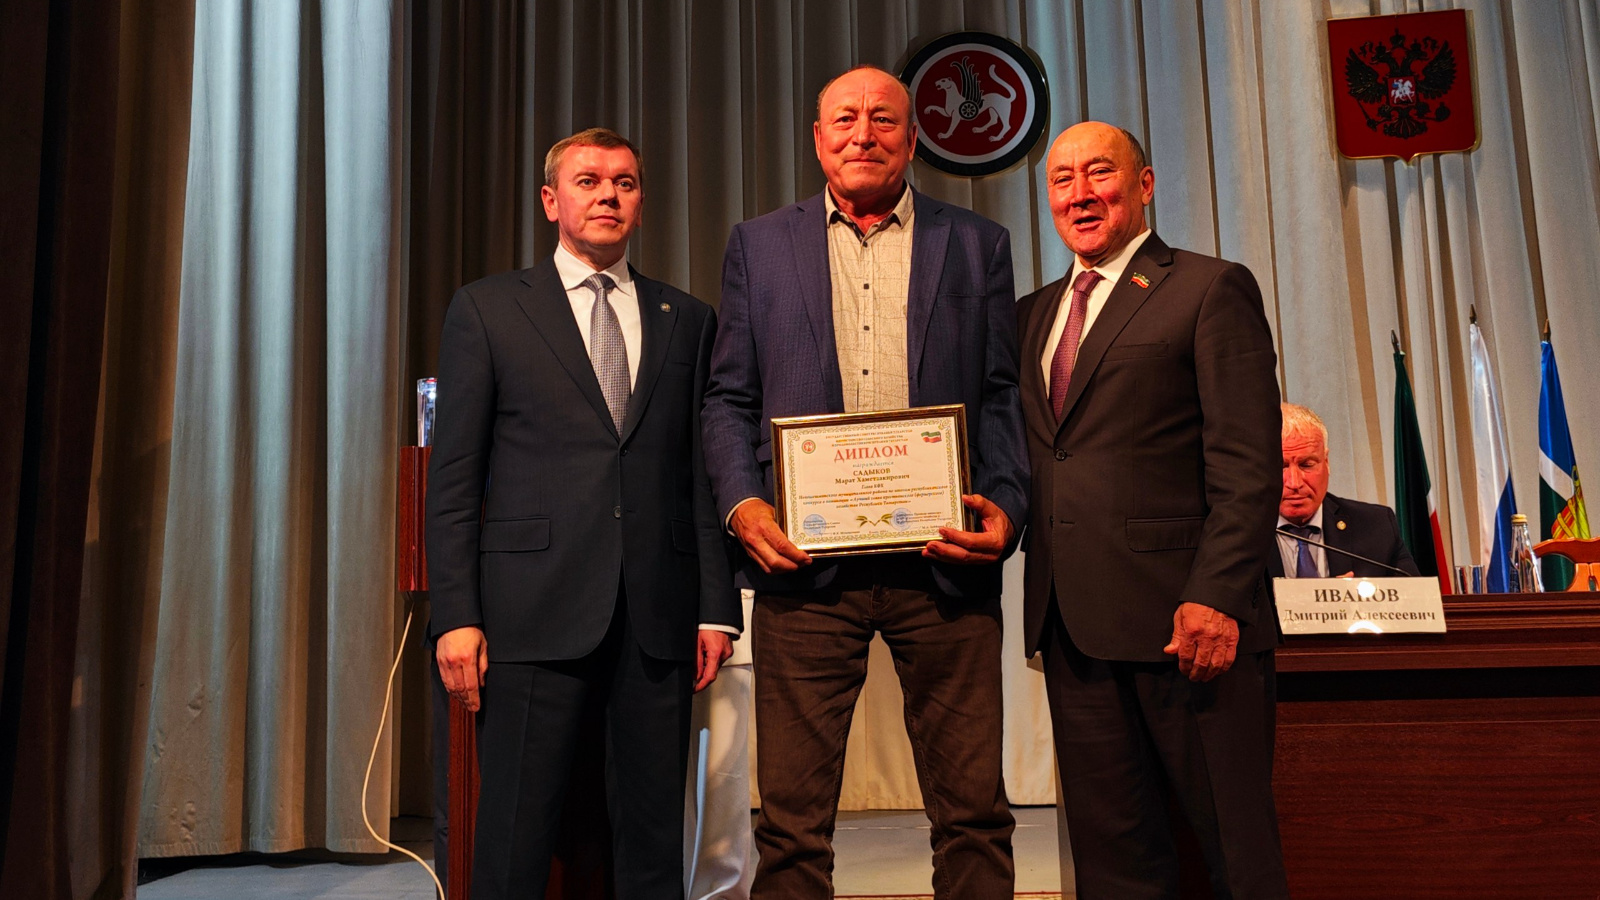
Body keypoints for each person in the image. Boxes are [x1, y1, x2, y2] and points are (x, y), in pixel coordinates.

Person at [701, 65, 1028, 899]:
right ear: (818, 141)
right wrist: (742, 505)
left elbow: (1001, 396)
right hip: (804, 570)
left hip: (946, 562)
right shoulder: (758, 245)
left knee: (973, 814)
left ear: (912, 139)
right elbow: (728, 398)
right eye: (844, 119)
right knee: (791, 827)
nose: (863, 133)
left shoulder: (979, 243)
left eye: (884, 119)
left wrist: (1008, 507)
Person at [427, 127, 740, 900]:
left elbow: (698, 478)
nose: (608, 195)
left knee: (652, 839)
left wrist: (716, 607)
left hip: (657, 618)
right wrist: (456, 615)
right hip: (528, 616)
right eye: (589, 181)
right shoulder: (488, 309)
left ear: (641, 201)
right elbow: (455, 478)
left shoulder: (686, 317)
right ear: (550, 200)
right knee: (513, 837)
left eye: (624, 183)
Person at [1016, 121, 1289, 899]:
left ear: (1145, 185)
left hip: (1187, 626)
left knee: (1235, 856)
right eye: (1062, 180)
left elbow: (1246, 463)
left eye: (1099, 173)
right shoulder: (1031, 314)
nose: (1079, 194)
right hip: (1072, 631)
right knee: (1114, 867)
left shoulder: (1209, 288)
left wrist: (1216, 595)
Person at [1274, 402, 1421, 579]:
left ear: (1326, 462)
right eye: (1281, 467)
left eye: (1307, 465)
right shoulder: (1243, 534)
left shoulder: (1376, 526)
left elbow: (1413, 594)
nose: (1294, 483)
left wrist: (1357, 596)